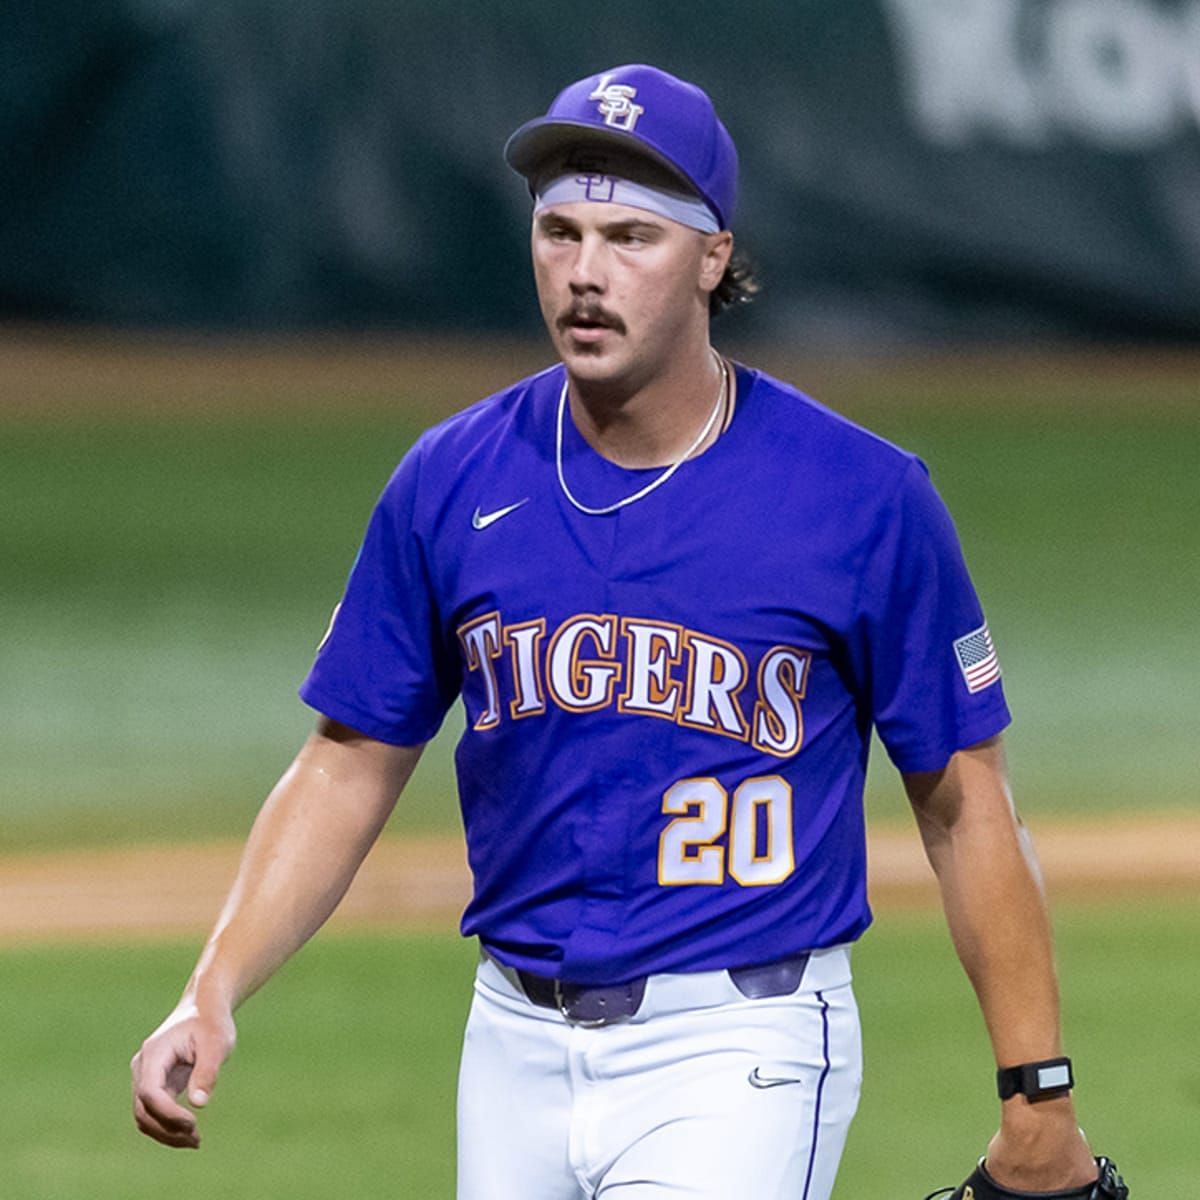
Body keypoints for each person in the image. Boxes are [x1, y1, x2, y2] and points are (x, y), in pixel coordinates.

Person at [132, 64, 1107, 1200]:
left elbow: (966, 801)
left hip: (741, 1047)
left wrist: (1037, 1093)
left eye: (632, 236)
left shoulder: (859, 496)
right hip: (508, 1044)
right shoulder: (451, 479)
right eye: (561, 232)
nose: (585, 274)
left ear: (712, 257)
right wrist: (214, 987)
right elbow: (347, 761)